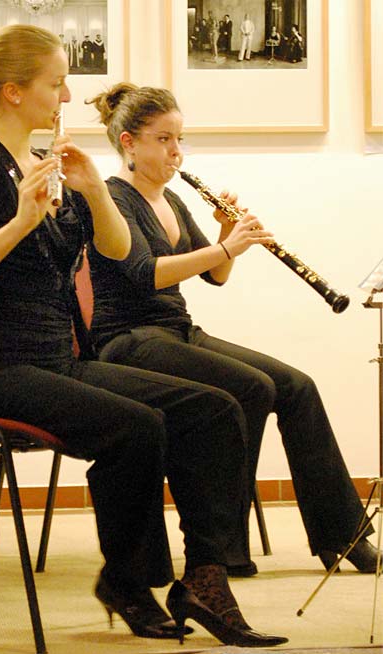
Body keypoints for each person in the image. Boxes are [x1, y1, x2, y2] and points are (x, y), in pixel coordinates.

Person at [0, 25, 286, 648]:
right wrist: (19, 221)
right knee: (136, 426)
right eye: (56, 82)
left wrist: (94, 189)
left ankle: (204, 575)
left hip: (58, 357)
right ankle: (129, 581)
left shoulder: (48, 165)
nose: (67, 94)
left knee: (214, 407)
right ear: (13, 92)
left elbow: (120, 252)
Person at [86, 82, 382, 583]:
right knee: (250, 386)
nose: (176, 151)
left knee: (296, 385)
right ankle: (221, 549)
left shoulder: (173, 200)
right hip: (128, 338)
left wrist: (225, 232)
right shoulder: (113, 199)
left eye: (179, 139)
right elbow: (146, 271)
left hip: (175, 331)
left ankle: (342, 534)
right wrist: (229, 247)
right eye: (163, 140)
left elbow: (214, 276)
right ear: (129, 143)